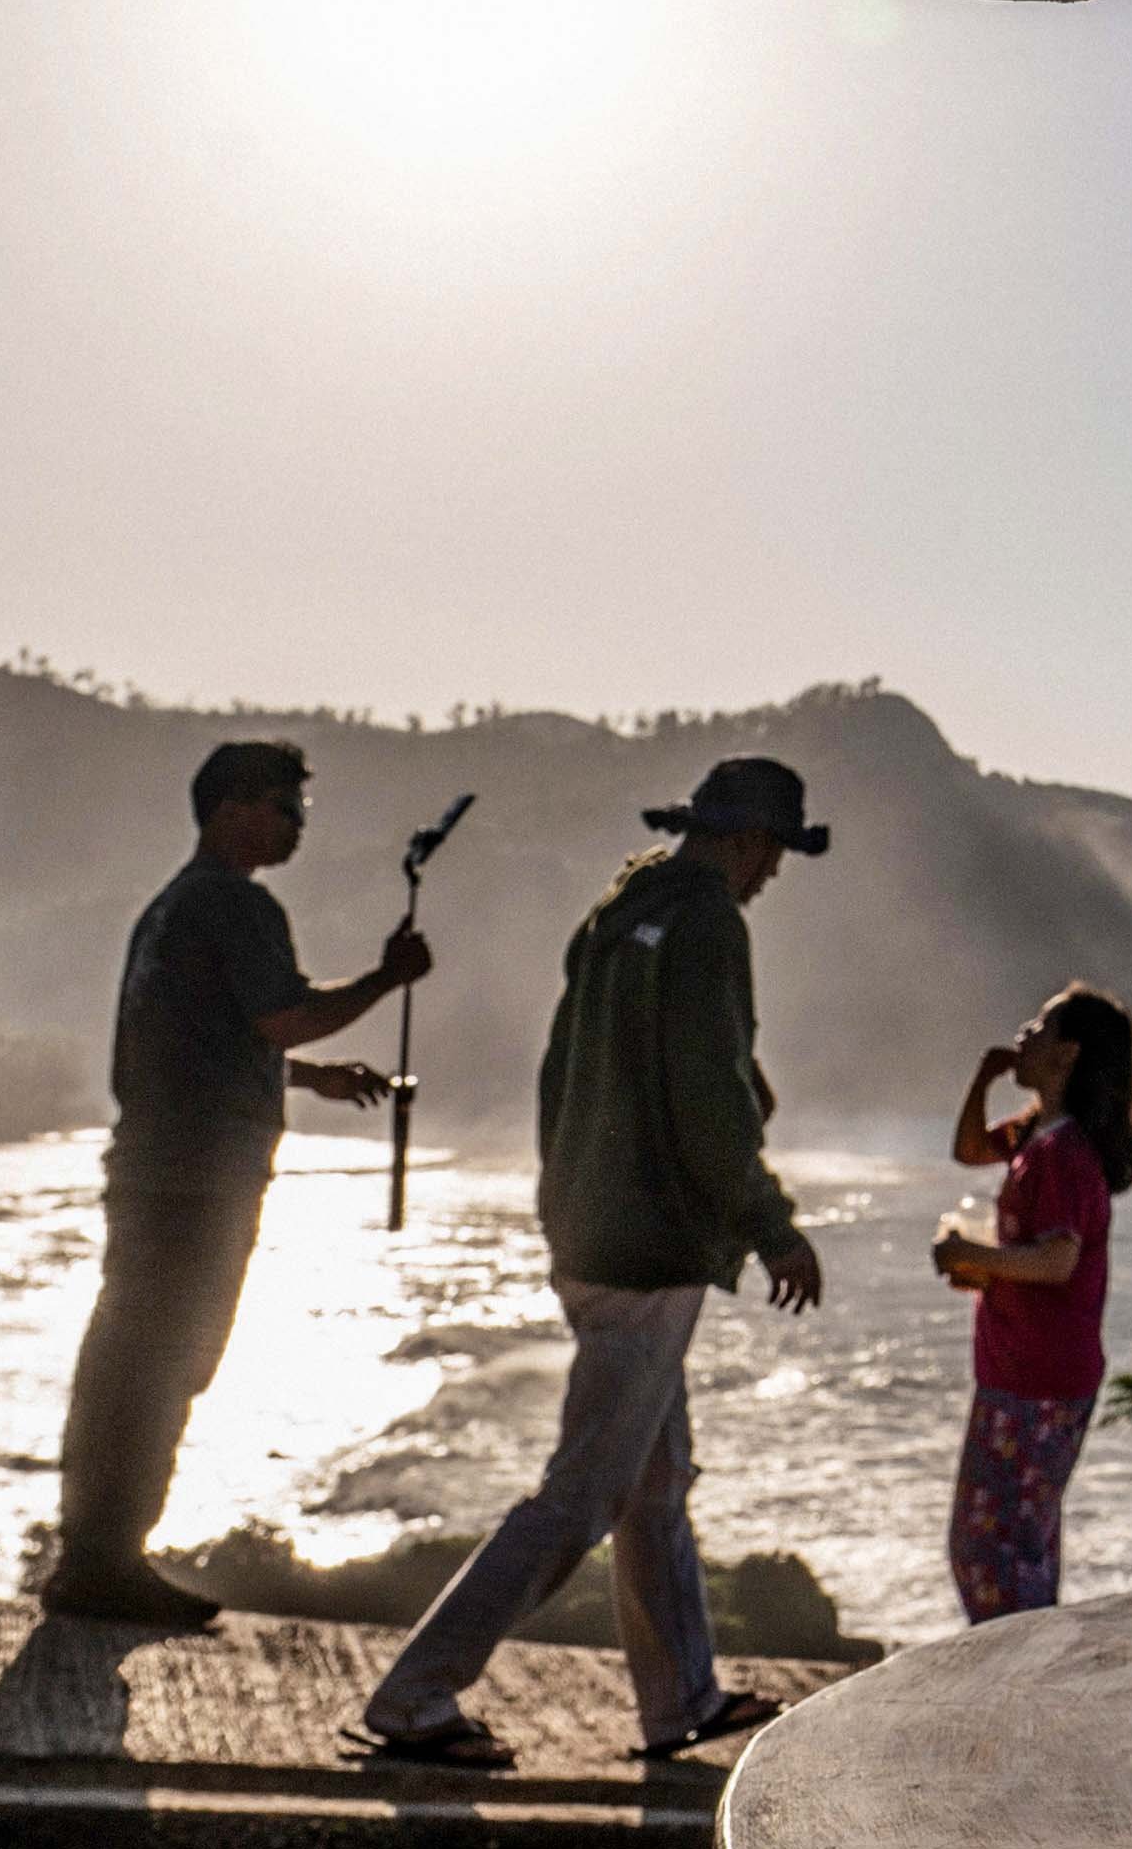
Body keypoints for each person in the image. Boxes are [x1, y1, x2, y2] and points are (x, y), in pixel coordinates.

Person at [352, 757, 830, 1775]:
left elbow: (568, 1071)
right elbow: (709, 1097)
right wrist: (771, 1223)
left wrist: (562, 1195)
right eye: (775, 856)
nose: (771, 878)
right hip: (649, 1249)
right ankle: (413, 1698)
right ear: (749, 842)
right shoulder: (706, 921)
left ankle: (681, 1703)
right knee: (580, 1494)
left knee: (653, 1486)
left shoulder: (620, 909)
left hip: (589, 1226)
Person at [43, 736, 437, 1629]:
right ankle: (109, 1559)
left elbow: (214, 1041)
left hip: (156, 1170)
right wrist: (388, 976)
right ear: (231, 808)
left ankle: (94, 1551)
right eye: (284, 807)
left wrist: (310, 1078)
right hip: (198, 1183)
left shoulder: (173, 909)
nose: (297, 826)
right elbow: (285, 1015)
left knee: (130, 1358)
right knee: (163, 1364)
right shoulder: (235, 907)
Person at [932, 985, 1132, 1622]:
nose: (1022, 1034)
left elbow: (1058, 1260)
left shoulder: (1060, 1153)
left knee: (988, 1549)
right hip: (1033, 1372)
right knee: (1016, 1546)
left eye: (1040, 1026)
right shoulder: (1041, 1134)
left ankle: (1019, 1688)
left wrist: (969, 1256)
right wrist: (983, 1077)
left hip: (1035, 1381)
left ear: (1067, 1054)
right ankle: (1028, 1684)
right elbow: (969, 1150)